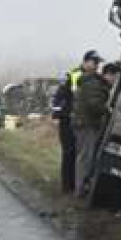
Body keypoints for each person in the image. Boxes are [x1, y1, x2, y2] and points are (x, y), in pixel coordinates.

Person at [73, 57, 120, 196]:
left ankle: (81, 186)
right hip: (87, 124)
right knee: (85, 157)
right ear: (108, 75)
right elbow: (94, 105)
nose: (115, 81)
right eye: (115, 78)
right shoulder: (95, 85)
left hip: (85, 123)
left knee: (85, 156)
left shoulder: (95, 83)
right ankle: (80, 188)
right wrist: (107, 109)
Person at [50, 63, 85, 194]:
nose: (97, 65)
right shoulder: (75, 75)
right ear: (86, 62)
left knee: (74, 152)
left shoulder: (85, 76)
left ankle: (71, 184)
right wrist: (60, 114)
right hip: (67, 120)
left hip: (74, 120)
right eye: (95, 62)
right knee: (69, 152)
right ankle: (67, 186)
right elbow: (61, 97)